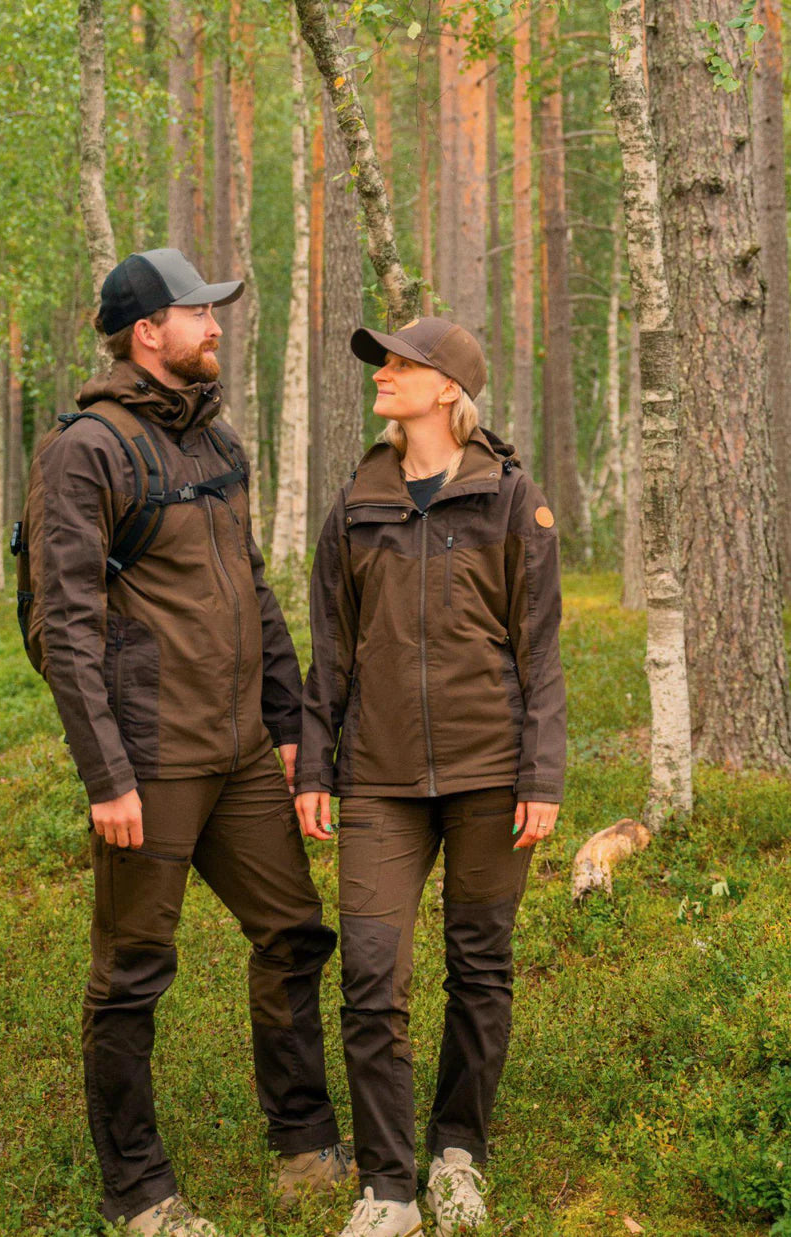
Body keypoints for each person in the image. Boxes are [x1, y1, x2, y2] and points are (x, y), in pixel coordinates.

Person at [26, 249, 351, 1235]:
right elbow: (63, 624)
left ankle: (303, 1144)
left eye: (215, 310)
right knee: (133, 972)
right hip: (151, 759)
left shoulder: (218, 441)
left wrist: (288, 723)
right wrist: (106, 774)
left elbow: (252, 588)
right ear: (147, 333)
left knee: (293, 933)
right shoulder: (85, 451)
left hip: (242, 750)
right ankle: (140, 1191)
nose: (215, 326)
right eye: (197, 312)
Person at [295, 316, 566, 1236]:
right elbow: (330, 649)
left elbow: (540, 652)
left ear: (449, 387)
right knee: (371, 975)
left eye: (401, 363)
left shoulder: (511, 500)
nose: (383, 373)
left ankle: (458, 1153)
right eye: (381, 362)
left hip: (493, 775)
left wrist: (542, 774)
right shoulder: (356, 505)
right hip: (378, 779)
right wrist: (315, 763)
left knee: (480, 967)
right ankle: (389, 1187)